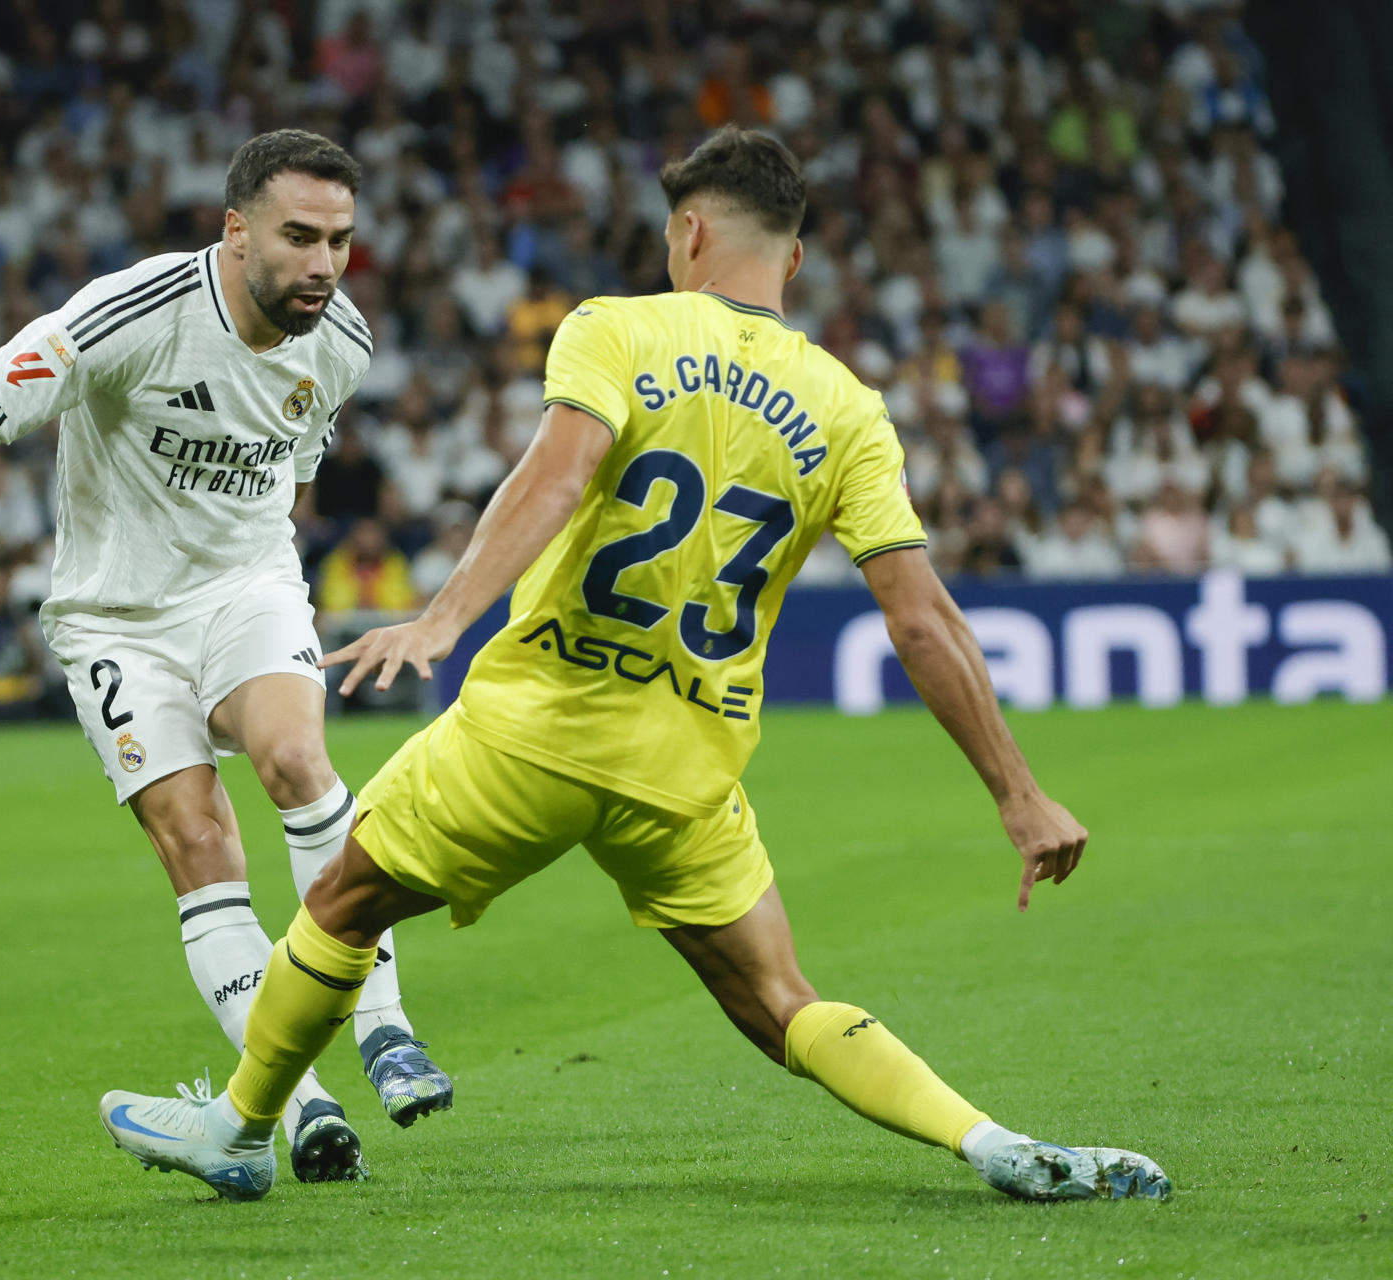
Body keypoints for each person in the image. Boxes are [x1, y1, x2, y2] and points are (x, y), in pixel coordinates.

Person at [98, 127, 1170, 1205]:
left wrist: (443, 617)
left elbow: (558, 478)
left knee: (340, 902)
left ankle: (239, 1125)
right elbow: (924, 621)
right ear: (792, 260)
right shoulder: (851, 411)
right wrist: (1019, 793)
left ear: (690, 232)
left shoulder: (618, 330)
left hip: (534, 732)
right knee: (779, 997)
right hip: (687, 772)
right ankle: (986, 1140)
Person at [0, 130, 451, 1185]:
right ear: (235, 228)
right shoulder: (135, 312)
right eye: (300, 236)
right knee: (200, 842)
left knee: (298, 761)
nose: (324, 263)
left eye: (342, 239)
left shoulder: (342, 340)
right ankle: (298, 1104)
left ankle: (386, 1028)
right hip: (113, 617)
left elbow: (285, 471)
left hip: (245, 585)